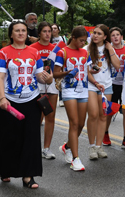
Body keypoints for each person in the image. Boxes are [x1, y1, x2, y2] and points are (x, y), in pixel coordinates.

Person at [0, 20, 53, 189]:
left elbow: (39, 76)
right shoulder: (3, 53)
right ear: (11, 34)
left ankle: (28, 176)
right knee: (9, 136)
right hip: (9, 101)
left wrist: (48, 77)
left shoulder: (34, 53)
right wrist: (2, 98)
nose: (20, 33)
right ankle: (5, 169)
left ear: (27, 33)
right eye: (17, 31)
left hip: (31, 99)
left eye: (23, 30)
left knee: (31, 138)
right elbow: (0, 78)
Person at [54, 26, 90, 171]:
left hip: (83, 89)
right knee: (74, 123)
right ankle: (76, 159)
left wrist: (95, 77)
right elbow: (55, 74)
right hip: (69, 90)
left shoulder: (84, 52)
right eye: (81, 40)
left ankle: (67, 146)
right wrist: (68, 72)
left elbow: (87, 71)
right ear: (73, 38)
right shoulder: (62, 52)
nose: (83, 43)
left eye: (85, 41)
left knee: (81, 124)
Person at [86, 24, 121, 160]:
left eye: (99, 34)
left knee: (103, 116)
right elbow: (83, 69)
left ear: (105, 37)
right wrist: (91, 74)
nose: (95, 35)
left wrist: (110, 48)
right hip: (91, 84)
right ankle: (91, 146)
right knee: (93, 114)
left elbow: (117, 66)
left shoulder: (108, 49)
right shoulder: (87, 48)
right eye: (94, 33)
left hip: (106, 85)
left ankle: (99, 146)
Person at [103, 27, 125, 150]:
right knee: (110, 111)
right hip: (111, 84)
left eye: (118, 35)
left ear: (122, 37)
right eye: (113, 35)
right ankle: (105, 134)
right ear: (109, 38)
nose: (116, 37)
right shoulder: (107, 50)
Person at [30, 22, 59, 160]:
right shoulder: (32, 48)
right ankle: (33, 146)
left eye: (49, 31)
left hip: (51, 84)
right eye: (44, 31)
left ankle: (46, 148)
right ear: (39, 33)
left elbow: (59, 67)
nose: (48, 34)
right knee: (37, 116)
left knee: (50, 116)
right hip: (36, 84)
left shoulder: (56, 49)